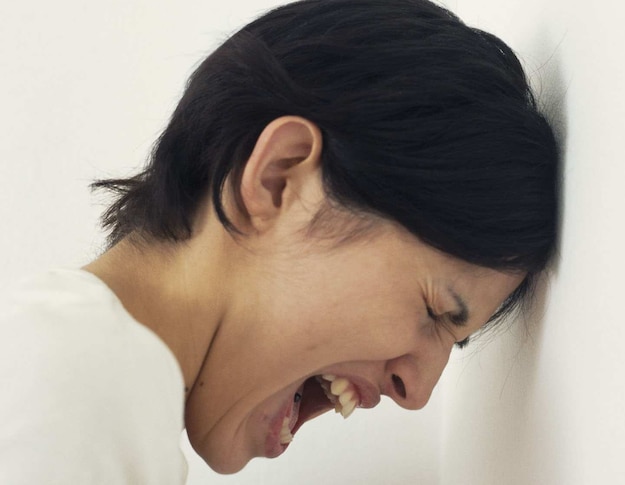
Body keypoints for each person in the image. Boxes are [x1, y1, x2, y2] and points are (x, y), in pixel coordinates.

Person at [0, 0, 559, 482]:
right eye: (436, 310)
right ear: (280, 178)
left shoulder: (81, 381)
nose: (418, 390)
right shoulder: (79, 385)